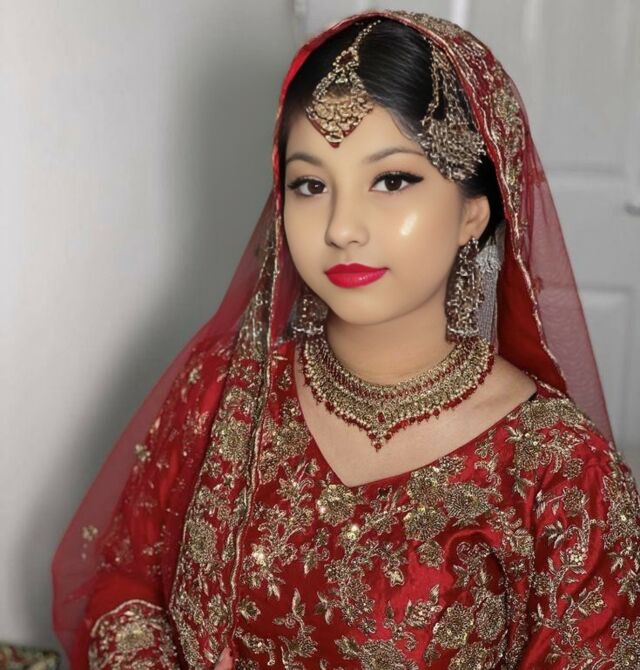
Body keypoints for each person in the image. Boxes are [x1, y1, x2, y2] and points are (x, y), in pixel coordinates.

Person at [51, 9, 640, 669]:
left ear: (473, 213)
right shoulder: (222, 391)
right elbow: (125, 582)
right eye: (311, 185)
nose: (341, 227)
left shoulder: (561, 472)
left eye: (392, 180)